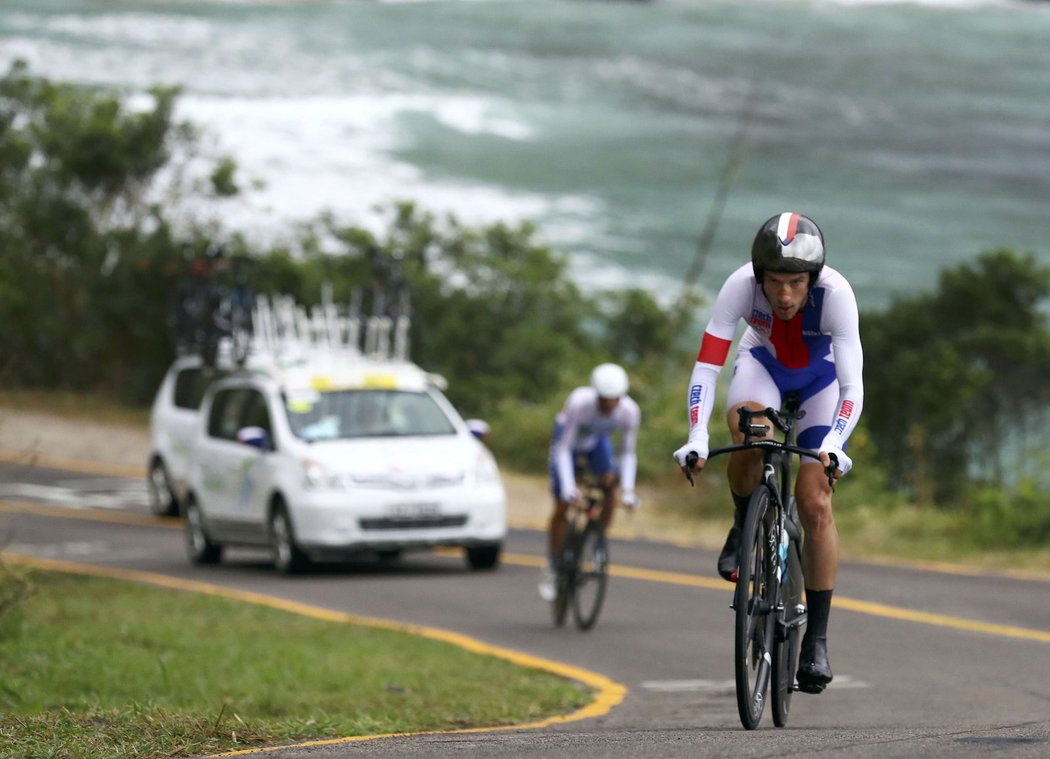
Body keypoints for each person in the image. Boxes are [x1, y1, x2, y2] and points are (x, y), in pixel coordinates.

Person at [672, 212, 863, 695]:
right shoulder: (739, 284)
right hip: (763, 368)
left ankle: (816, 640)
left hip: (821, 385)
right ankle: (743, 523)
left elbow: (851, 384)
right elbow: (707, 368)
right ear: (760, 276)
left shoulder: (836, 296)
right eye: (775, 282)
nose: (784, 295)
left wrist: (834, 445)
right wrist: (696, 435)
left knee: (815, 499)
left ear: (812, 279)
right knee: (750, 432)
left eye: (796, 283)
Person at [539, 363, 642, 602]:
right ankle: (552, 566)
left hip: (596, 443)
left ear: (621, 397)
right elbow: (563, 448)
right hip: (568, 443)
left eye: (613, 399)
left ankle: (597, 541)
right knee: (562, 506)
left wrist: (628, 490)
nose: (608, 405)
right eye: (604, 399)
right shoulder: (579, 403)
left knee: (610, 489)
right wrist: (567, 486)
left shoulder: (629, 411)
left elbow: (627, 452)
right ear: (595, 394)